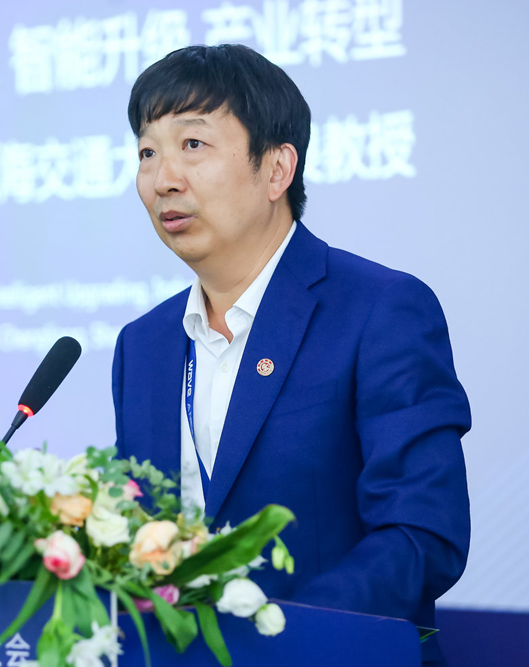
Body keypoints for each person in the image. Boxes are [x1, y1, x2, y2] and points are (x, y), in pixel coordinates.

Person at [111, 44, 470, 666]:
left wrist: (280, 638)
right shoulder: (142, 345)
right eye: (147, 152)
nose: (164, 178)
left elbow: (422, 533)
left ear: (277, 170)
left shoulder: (378, 310)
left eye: (192, 144)